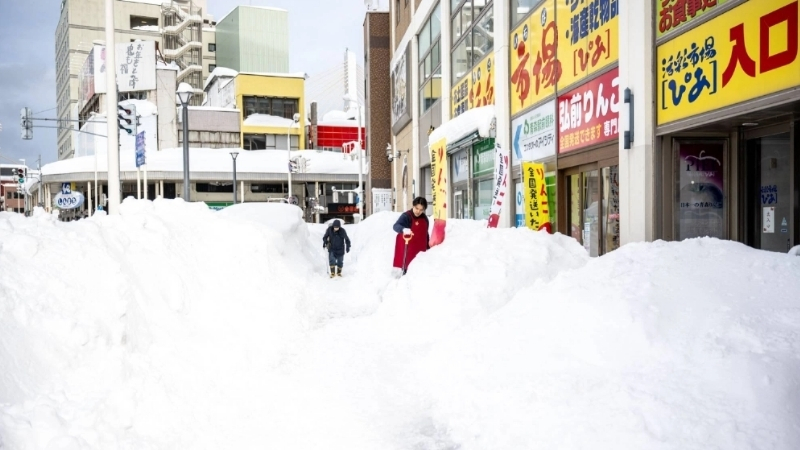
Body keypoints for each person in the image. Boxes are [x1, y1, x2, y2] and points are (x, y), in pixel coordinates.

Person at [392, 197, 430, 274]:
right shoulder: (406, 216)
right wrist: (403, 229)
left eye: (421, 210)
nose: (418, 211)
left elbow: (426, 234)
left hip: (420, 253)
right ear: (413, 205)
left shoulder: (425, 219)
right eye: (417, 208)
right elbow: (396, 226)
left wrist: (428, 247)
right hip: (408, 253)